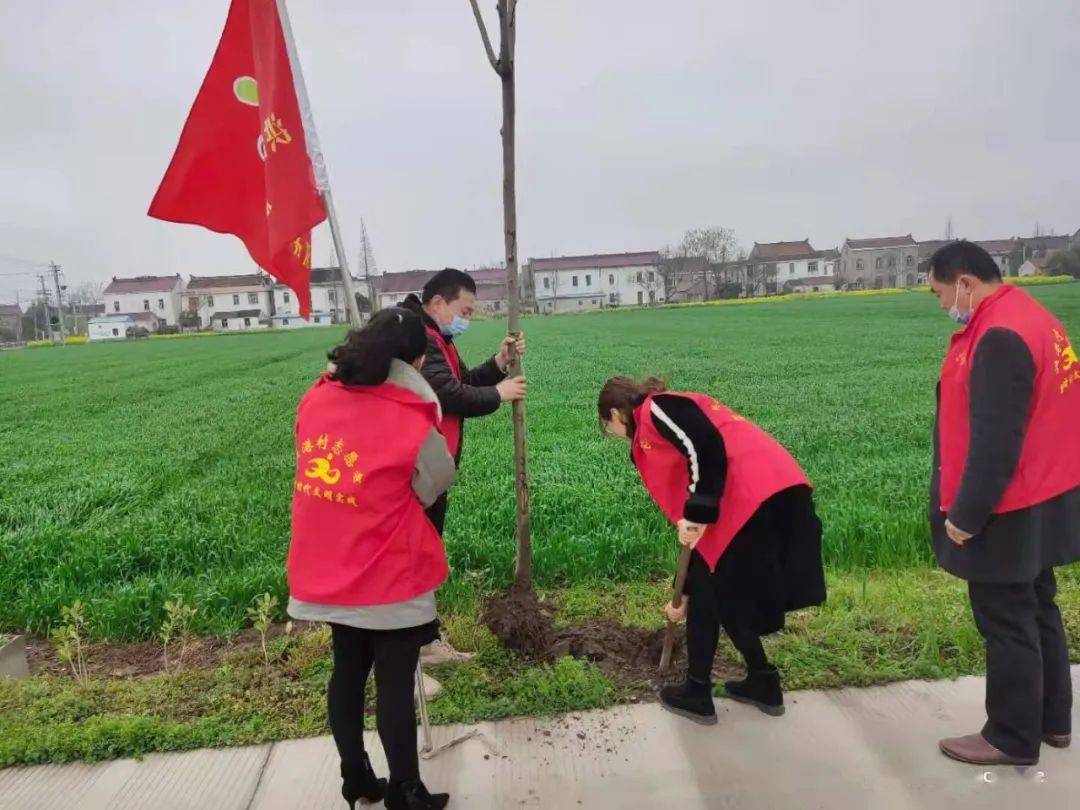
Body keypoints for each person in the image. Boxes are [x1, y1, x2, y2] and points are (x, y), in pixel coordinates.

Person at [286, 308, 456, 810]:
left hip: (327, 566)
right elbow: (435, 480)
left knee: (347, 671)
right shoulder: (409, 414)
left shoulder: (316, 399)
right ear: (416, 360)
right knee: (395, 682)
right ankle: (406, 790)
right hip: (388, 572)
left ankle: (356, 777)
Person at [927, 240, 1080, 766]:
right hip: (1048, 490)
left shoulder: (998, 335)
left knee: (1005, 617)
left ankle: (1011, 736)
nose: (940, 302)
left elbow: (996, 440)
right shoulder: (1034, 317)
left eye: (939, 291)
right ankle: (1053, 720)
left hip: (1011, 502)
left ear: (965, 283)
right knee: (1038, 605)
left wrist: (966, 514)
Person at [598, 376, 826, 724]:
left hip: (753, 497)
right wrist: (682, 588)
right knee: (723, 593)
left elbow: (704, 445)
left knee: (710, 594)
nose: (611, 432)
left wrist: (700, 509)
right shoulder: (649, 438)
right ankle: (763, 682)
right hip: (755, 499)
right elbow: (699, 539)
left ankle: (697, 692)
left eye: (607, 425)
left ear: (616, 413)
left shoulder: (659, 408)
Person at [402, 268, 526, 534]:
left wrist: (500, 361)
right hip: (415, 468)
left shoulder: (440, 337)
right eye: (465, 312)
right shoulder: (419, 338)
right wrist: (499, 393)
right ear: (438, 303)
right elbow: (447, 393)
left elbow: (464, 380)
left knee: (427, 539)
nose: (467, 320)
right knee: (417, 539)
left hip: (431, 465)